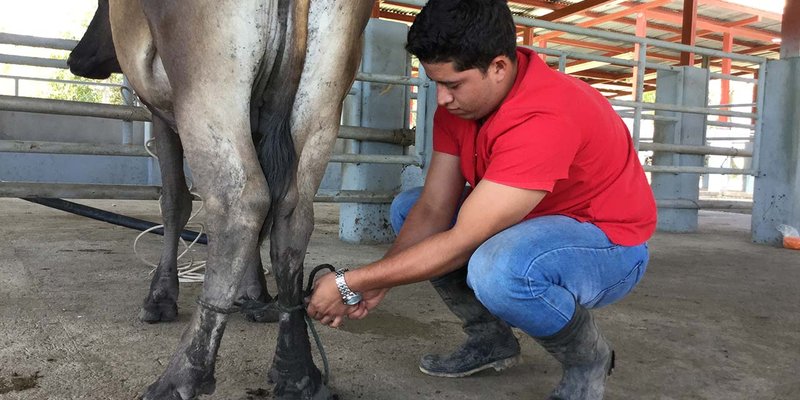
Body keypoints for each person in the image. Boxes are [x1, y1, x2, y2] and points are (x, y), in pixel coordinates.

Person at [306, 0, 657, 398]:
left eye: (453, 84)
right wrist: (379, 281)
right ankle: (491, 339)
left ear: (499, 67)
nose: (441, 99)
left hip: (607, 245)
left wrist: (350, 281)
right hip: (531, 225)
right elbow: (434, 208)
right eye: (435, 83)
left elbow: (461, 242)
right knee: (409, 207)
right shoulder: (460, 109)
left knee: (498, 270)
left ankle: (588, 359)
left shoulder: (545, 115)